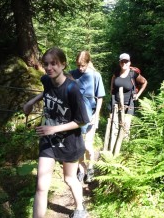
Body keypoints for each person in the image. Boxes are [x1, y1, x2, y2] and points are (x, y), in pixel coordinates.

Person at [23, 47, 90, 218]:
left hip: (69, 142)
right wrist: (31, 102)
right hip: (48, 141)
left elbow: (82, 120)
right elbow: (47, 92)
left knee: (69, 179)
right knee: (41, 186)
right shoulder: (46, 80)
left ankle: (80, 208)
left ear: (63, 65)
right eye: (46, 64)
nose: (49, 67)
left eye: (54, 64)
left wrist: (53, 128)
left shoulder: (72, 89)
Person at [69, 50, 105, 183]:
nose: (80, 68)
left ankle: (90, 167)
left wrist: (97, 114)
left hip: (91, 115)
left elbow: (100, 97)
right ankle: (81, 169)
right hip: (75, 116)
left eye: (83, 65)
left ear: (88, 63)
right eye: (78, 65)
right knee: (78, 145)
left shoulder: (96, 76)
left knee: (88, 145)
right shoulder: (72, 74)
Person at [110, 53, 147, 132]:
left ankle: (125, 143)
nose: (124, 63)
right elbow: (113, 80)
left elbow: (144, 82)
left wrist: (138, 95)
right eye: (122, 61)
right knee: (114, 126)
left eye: (126, 61)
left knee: (126, 128)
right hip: (115, 103)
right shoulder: (117, 72)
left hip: (129, 104)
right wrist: (111, 90)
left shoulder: (133, 73)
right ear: (119, 63)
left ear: (129, 62)